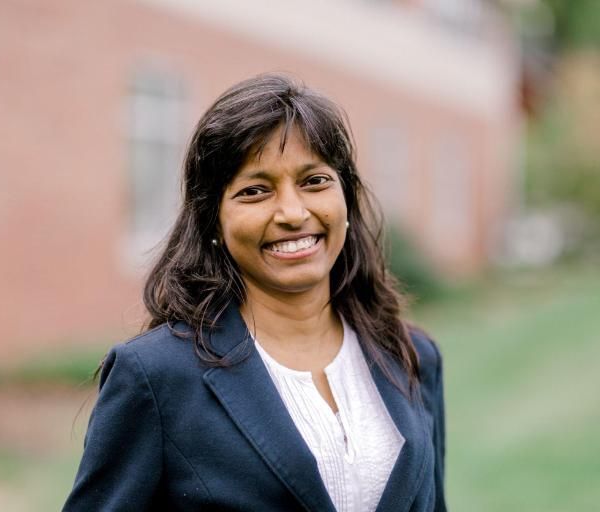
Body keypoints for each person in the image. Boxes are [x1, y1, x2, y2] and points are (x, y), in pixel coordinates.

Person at [63, 73, 447, 512]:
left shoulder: (413, 357)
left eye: (314, 181)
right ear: (214, 221)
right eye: (255, 191)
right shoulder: (155, 377)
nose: (292, 212)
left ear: (347, 200)